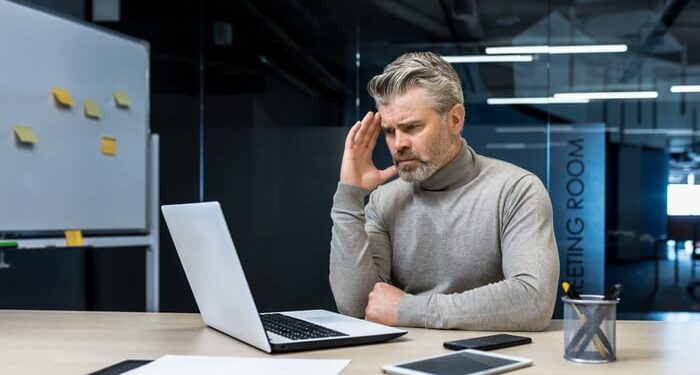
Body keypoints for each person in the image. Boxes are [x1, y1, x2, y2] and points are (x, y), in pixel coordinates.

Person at [328, 51, 559, 331]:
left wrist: (410, 309)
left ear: (455, 120)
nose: (397, 144)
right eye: (389, 131)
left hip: (492, 362)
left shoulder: (517, 191)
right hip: (403, 361)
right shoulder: (384, 200)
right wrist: (349, 195)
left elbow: (533, 302)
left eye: (411, 127)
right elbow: (358, 305)